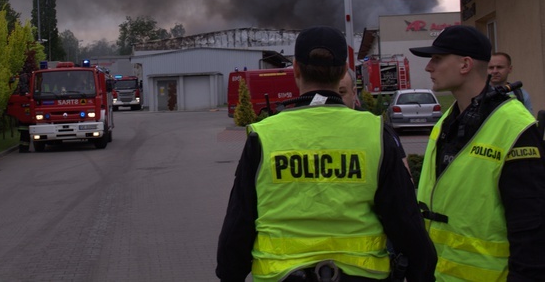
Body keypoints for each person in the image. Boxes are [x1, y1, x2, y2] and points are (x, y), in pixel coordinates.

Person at [217, 26, 436, 282]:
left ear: (296, 69)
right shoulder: (375, 133)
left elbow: (239, 221)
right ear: (344, 70)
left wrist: (229, 275)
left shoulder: (262, 136)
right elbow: (404, 218)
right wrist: (422, 272)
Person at [409, 25, 545, 280]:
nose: (429, 67)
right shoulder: (447, 122)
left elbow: (532, 228)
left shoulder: (515, 127)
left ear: (465, 65)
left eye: (437, 59)